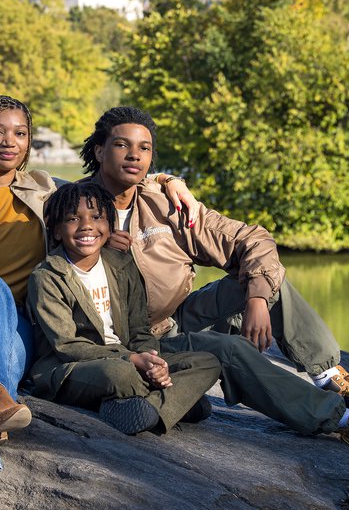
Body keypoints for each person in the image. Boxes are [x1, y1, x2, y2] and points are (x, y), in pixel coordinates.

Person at [0, 96, 199, 496]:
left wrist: (168, 181)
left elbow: (109, 182)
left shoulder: (44, 189)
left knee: (17, 351)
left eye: (20, 133)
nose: (8, 142)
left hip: (3, 324)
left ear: (29, 140)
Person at [79, 106, 349, 460]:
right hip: (124, 340)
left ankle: (336, 381)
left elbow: (253, 240)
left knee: (262, 276)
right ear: (100, 150)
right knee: (231, 351)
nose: (135, 155)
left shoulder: (167, 206)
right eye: (123, 145)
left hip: (170, 322)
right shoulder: (70, 209)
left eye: (145, 148)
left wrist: (257, 299)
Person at [27, 182, 221, 434]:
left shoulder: (121, 264)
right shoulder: (47, 276)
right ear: (56, 231)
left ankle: (144, 407)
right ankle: (175, 402)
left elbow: (140, 329)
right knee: (120, 374)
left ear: (109, 227)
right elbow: (67, 346)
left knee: (207, 362)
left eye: (97, 217)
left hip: (131, 357)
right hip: (71, 367)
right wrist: (131, 359)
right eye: (73, 218)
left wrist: (152, 361)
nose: (86, 225)